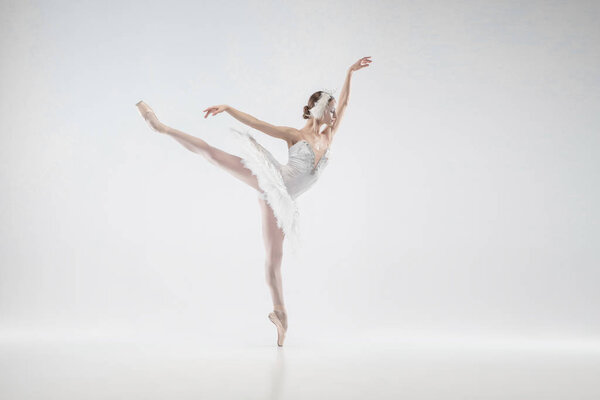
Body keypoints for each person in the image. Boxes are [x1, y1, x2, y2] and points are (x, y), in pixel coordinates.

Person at [135, 56, 372, 346]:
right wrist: (229, 108)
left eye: (335, 112)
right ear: (319, 110)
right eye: (331, 111)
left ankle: (280, 314)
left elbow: (346, 103)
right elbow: (258, 124)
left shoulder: (329, 136)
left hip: (283, 201)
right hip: (271, 179)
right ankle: (161, 128)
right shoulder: (294, 135)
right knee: (213, 155)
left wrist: (350, 72)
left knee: (275, 260)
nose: (335, 116)